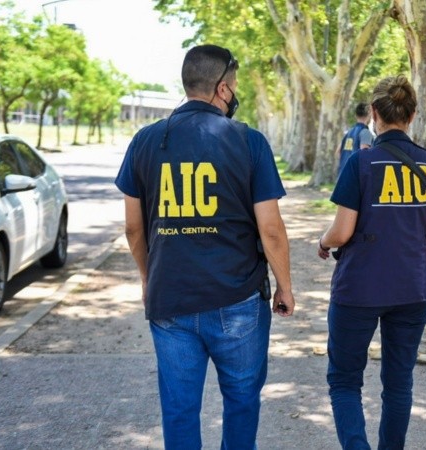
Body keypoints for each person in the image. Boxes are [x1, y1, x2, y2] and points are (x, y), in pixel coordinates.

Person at [115, 44, 295, 450]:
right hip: (238, 301)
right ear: (223, 89)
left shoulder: (145, 141)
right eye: (234, 85)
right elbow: (270, 229)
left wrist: (147, 278)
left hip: (170, 300)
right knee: (242, 403)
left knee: (179, 410)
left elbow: (133, 228)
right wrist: (284, 286)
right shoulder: (249, 141)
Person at [317, 75, 426, 449]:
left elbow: (342, 232)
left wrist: (323, 241)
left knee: (345, 380)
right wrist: (417, 234)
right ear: (412, 116)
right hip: (414, 285)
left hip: (360, 287)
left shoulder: (361, 163)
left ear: (374, 113)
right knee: (398, 382)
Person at [336, 102, 374, 177]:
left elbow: (338, 151)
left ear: (356, 115)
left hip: (343, 175)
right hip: (355, 177)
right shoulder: (365, 132)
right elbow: (364, 154)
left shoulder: (348, 132)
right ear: (369, 114)